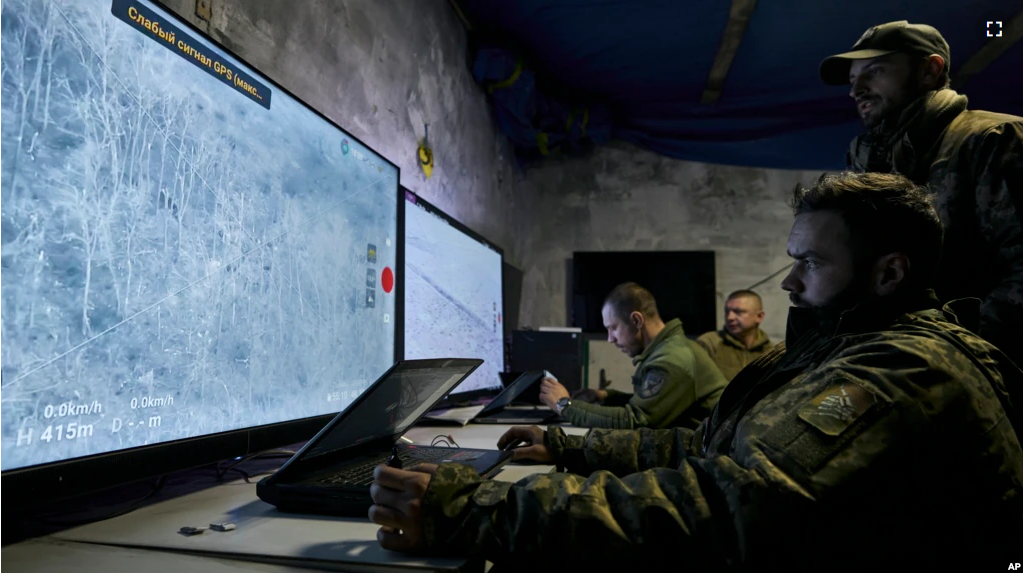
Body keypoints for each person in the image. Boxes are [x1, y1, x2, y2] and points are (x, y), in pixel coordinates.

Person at [367, 172, 1023, 569]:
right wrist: (569, 443)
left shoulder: (901, 371)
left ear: (888, 273)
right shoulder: (866, 341)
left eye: (811, 264)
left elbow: (722, 506)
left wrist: (475, 502)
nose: (789, 282)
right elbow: (720, 444)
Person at [820, 20, 1023, 366]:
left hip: (983, 367)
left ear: (930, 70)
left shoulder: (992, 138)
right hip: (897, 361)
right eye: (853, 80)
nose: (857, 90)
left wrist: (956, 349)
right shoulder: (870, 158)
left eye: (874, 71)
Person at [536, 282, 727, 430]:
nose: (610, 339)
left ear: (636, 320)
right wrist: (606, 396)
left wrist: (564, 405)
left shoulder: (671, 360)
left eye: (613, 328)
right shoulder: (667, 349)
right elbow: (650, 405)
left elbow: (635, 421)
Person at [696, 289, 774, 380]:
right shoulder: (709, 343)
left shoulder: (771, 351)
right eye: (727, 311)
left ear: (759, 316)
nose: (730, 317)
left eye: (738, 311)